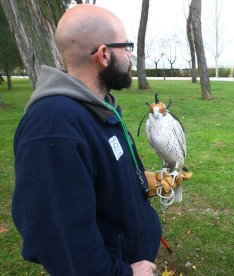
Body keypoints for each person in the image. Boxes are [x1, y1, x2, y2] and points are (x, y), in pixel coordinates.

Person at [12, 5, 161, 275]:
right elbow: (59, 240)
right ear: (104, 54)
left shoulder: (98, 108)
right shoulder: (52, 126)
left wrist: (138, 181)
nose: (130, 54)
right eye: (126, 46)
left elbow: (96, 180)